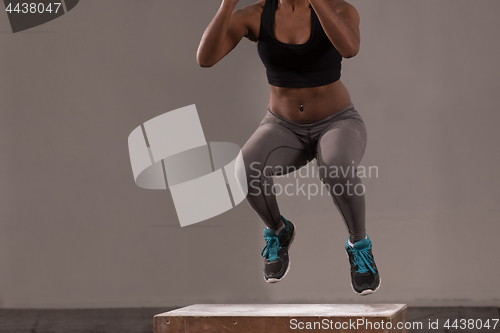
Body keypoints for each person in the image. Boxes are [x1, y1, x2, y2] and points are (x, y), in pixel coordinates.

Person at [197, 0, 380, 295]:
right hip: (283, 126)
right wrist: (228, 3)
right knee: (244, 169)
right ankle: (279, 232)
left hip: (337, 122)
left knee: (336, 166)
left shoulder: (340, 10)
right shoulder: (254, 15)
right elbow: (205, 59)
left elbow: (350, 49)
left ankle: (359, 245)